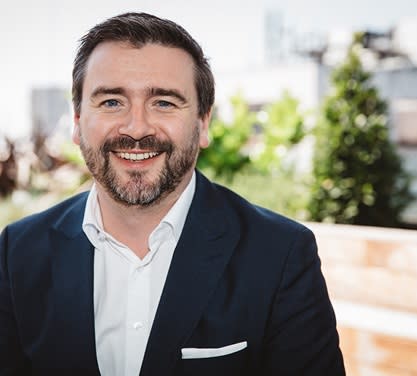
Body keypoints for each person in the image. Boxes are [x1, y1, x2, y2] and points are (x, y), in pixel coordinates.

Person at [0, 12, 345, 376]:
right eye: (111, 102)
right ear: (76, 121)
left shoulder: (281, 255)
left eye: (164, 102)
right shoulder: (17, 253)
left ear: (203, 123)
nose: (136, 128)